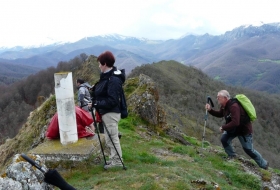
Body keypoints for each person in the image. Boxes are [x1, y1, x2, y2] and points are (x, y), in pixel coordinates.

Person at [205, 90, 269, 169]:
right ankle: (232, 156)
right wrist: (210, 110)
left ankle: (264, 164)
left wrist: (223, 127)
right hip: (233, 129)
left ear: (225, 98)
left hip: (243, 130)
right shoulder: (224, 105)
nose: (217, 99)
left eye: (219, 97)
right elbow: (220, 114)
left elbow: (235, 122)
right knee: (224, 139)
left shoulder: (234, 106)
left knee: (249, 150)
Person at [92, 51, 125, 169]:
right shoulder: (108, 77)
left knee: (112, 138)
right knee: (109, 139)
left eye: (100, 64)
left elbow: (112, 100)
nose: (99, 66)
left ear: (105, 63)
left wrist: (96, 103)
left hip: (111, 113)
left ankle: (117, 162)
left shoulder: (113, 80)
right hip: (107, 112)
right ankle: (114, 160)